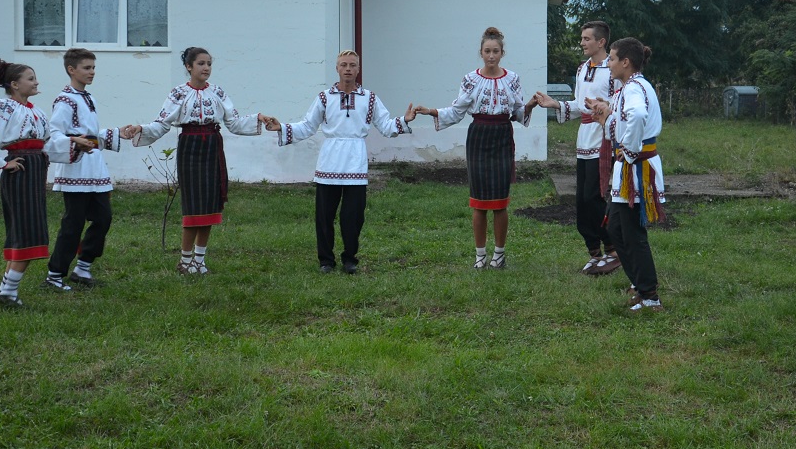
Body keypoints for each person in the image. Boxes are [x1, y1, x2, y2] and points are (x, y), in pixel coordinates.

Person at [263, 50, 416, 274]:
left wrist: (404, 121)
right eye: (343, 64)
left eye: (352, 65)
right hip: (329, 161)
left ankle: (349, 259)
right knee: (324, 215)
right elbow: (307, 126)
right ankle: (326, 260)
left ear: (358, 69)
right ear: (337, 68)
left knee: (353, 215)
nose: (348, 69)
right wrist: (282, 127)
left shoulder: (369, 98)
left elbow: (385, 125)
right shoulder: (325, 97)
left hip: (355, 160)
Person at [130, 47, 268, 275]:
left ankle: (200, 260)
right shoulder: (178, 94)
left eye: (209, 64)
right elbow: (162, 123)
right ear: (189, 67)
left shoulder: (218, 93)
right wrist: (139, 129)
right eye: (201, 64)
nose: (206, 68)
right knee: (194, 205)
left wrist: (259, 119)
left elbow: (233, 122)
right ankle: (185, 261)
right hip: (191, 147)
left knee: (210, 205)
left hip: (213, 146)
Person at [0, 59, 94, 307]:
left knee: (30, 229)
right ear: (15, 84)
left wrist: (75, 143)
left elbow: (49, 143)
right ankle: (7, 292)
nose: (36, 81)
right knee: (26, 231)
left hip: (35, 171)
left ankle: (7, 291)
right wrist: (2, 162)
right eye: (30, 78)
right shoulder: (4, 107)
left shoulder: (36, 111)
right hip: (20, 171)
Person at [414, 27, 538, 269]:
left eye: (495, 51)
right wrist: (432, 111)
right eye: (487, 51)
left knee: (500, 202)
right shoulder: (470, 79)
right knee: (479, 201)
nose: (491, 56)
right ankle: (480, 255)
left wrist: (531, 104)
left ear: (503, 53)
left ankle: (499, 255)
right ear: (480, 53)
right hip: (479, 136)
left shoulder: (512, 79)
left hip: (502, 136)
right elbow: (457, 110)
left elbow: (518, 113)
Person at [531, 21, 620, 275]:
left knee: (595, 198)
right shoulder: (582, 69)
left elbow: (618, 103)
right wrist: (555, 104)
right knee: (582, 200)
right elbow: (579, 105)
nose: (582, 43)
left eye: (586, 38)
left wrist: (604, 107)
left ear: (601, 42)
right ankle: (594, 252)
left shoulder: (612, 70)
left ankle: (613, 250)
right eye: (582, 38)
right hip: (583, 141)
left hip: (602, 140)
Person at [46, 48, 138, 290]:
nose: (92, 72)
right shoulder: (65, 101)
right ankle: (55, 274)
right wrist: (75, 141)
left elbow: (91, 135)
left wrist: (118, 133)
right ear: (71, 69)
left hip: (94, 171)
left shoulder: (88, 98)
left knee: (103, 218)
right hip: (76, 170)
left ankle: (83, 268)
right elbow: (54, 134)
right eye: (87, 68)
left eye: (93, 68)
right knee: (73, 224)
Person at [587, 37, 666, 311]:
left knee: (631, 231)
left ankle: (650, 296)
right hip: (629, 166)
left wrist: (629, 152)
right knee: (616, 228)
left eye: (611, 58)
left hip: (636, 166)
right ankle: (639, 285)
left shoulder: (633, 88)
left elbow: (638, 117)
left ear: (625, 62)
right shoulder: (628, 88)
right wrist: (606, 117)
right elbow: (624, 121)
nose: (608, 64)